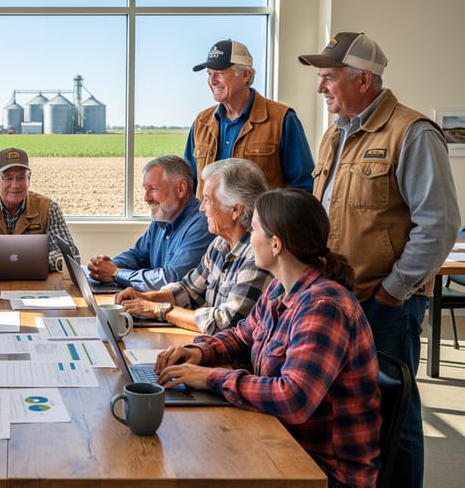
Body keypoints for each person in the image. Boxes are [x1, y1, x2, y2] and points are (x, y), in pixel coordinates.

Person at [298, 31, 460, 488]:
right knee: (350, 410)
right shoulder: (335, 135)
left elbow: (439, 225)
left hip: (383, 303)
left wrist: (394, 291)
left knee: (395, 414)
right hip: (337, 299)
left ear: (363, 79)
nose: (320, 87)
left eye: (328, 78)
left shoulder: (412, 133)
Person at [156, 188, 380, 488]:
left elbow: (293, 398)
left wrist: (210, 378)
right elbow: (241, 337)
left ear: (276, 244)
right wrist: (197, 353)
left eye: (255, 229)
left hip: (323, 470)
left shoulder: (324, 308)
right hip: (282, 440)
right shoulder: (279, 289)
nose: (250, 236)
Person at [116, 158, 272, 333]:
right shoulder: (220, 243)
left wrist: (158, 309)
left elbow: (226, 321)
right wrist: (145, 297)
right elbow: (188, 290)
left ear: (236, 209)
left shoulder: (258, 254)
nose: (201, 207)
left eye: (208, 199)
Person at [184, 39, 314, 198]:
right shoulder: (201, 123)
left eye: (220, 73)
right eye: (210, 73)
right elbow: (189, 186)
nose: (212, 81)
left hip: (259, 223)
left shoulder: (283, 119)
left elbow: (303, 188)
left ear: (246, 74)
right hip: (208, 223)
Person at [88, 155, 213, 291]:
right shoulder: (162, 217)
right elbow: (138, 256)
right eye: (145, 189)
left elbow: (172, 280)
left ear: (181, 189)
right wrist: (106, 266)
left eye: (153, 189)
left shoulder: (202, 226)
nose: (146, 198)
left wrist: (116, 273)